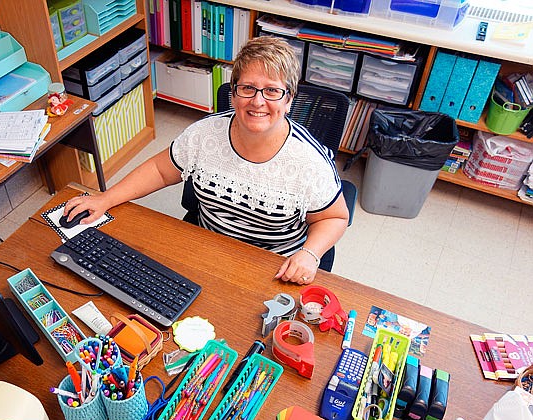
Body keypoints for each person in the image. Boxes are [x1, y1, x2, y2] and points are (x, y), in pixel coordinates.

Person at [63, 36, 349, 284]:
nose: (258, 101)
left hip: (271, 267)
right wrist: (106, 198)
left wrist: (309, 255)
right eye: (247, 88)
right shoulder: (204, 134)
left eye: (272, 91)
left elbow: (335, 217)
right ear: (234, 93)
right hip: (206, 250)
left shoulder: (309, 161)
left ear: (289, 99)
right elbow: (160, 170)